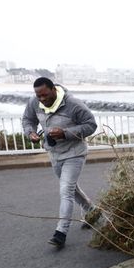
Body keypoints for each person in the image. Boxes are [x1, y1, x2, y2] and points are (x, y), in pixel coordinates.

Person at [22, 77, 101, 248]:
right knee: (71, 189)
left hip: (75, 153)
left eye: (44, 95)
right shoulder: (34, 102)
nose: (41, 99)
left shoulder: (73, 104)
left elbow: (91, 125)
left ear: (53, 89)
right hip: (54, 154)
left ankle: (61, 233)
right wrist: (31, 133)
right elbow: (28, 120)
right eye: (38, 96)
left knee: (66, 190)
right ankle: (93, 211)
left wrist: (66, 133)